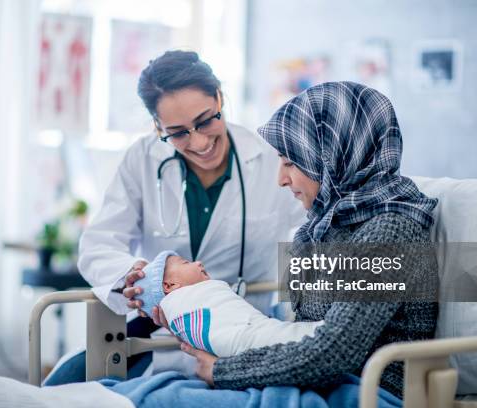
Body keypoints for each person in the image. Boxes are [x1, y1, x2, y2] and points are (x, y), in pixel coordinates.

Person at [44, 50, 304, 384]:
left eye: (207, 120)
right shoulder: (143, 158)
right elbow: (98, 245)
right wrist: (133, 277)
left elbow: (310, 237)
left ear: (220, 98)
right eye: (178, 132)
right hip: (160, 333)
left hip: (240, 332)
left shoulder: (270, 159)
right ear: (157, 126)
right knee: (61, 387)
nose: (199, 142)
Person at [178, 81, 439, 399]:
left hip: (366, 391)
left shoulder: (390, 233)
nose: (280, 179)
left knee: (162, 398)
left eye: (290, 162)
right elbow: (296, 330)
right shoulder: (317, 229)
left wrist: (223, 371)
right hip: (313, 383)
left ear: (330, 156)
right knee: (160, 389)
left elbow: (334, 352)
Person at [135, 250, 323, 358]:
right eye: (186, 263)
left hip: (253, 326)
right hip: (243, 338)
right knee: (298, 338)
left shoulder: (203, 294)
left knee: (290, 336)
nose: (199, 262)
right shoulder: (181, 305)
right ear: (170, 285)